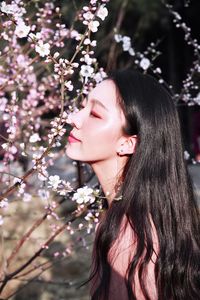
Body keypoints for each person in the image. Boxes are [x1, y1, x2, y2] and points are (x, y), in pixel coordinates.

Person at [66, 69, 200, 300]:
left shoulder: (129, 240)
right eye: (82, 106)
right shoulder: (136, 219)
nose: (73, 118)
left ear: (129, 143)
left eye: (95, 114)